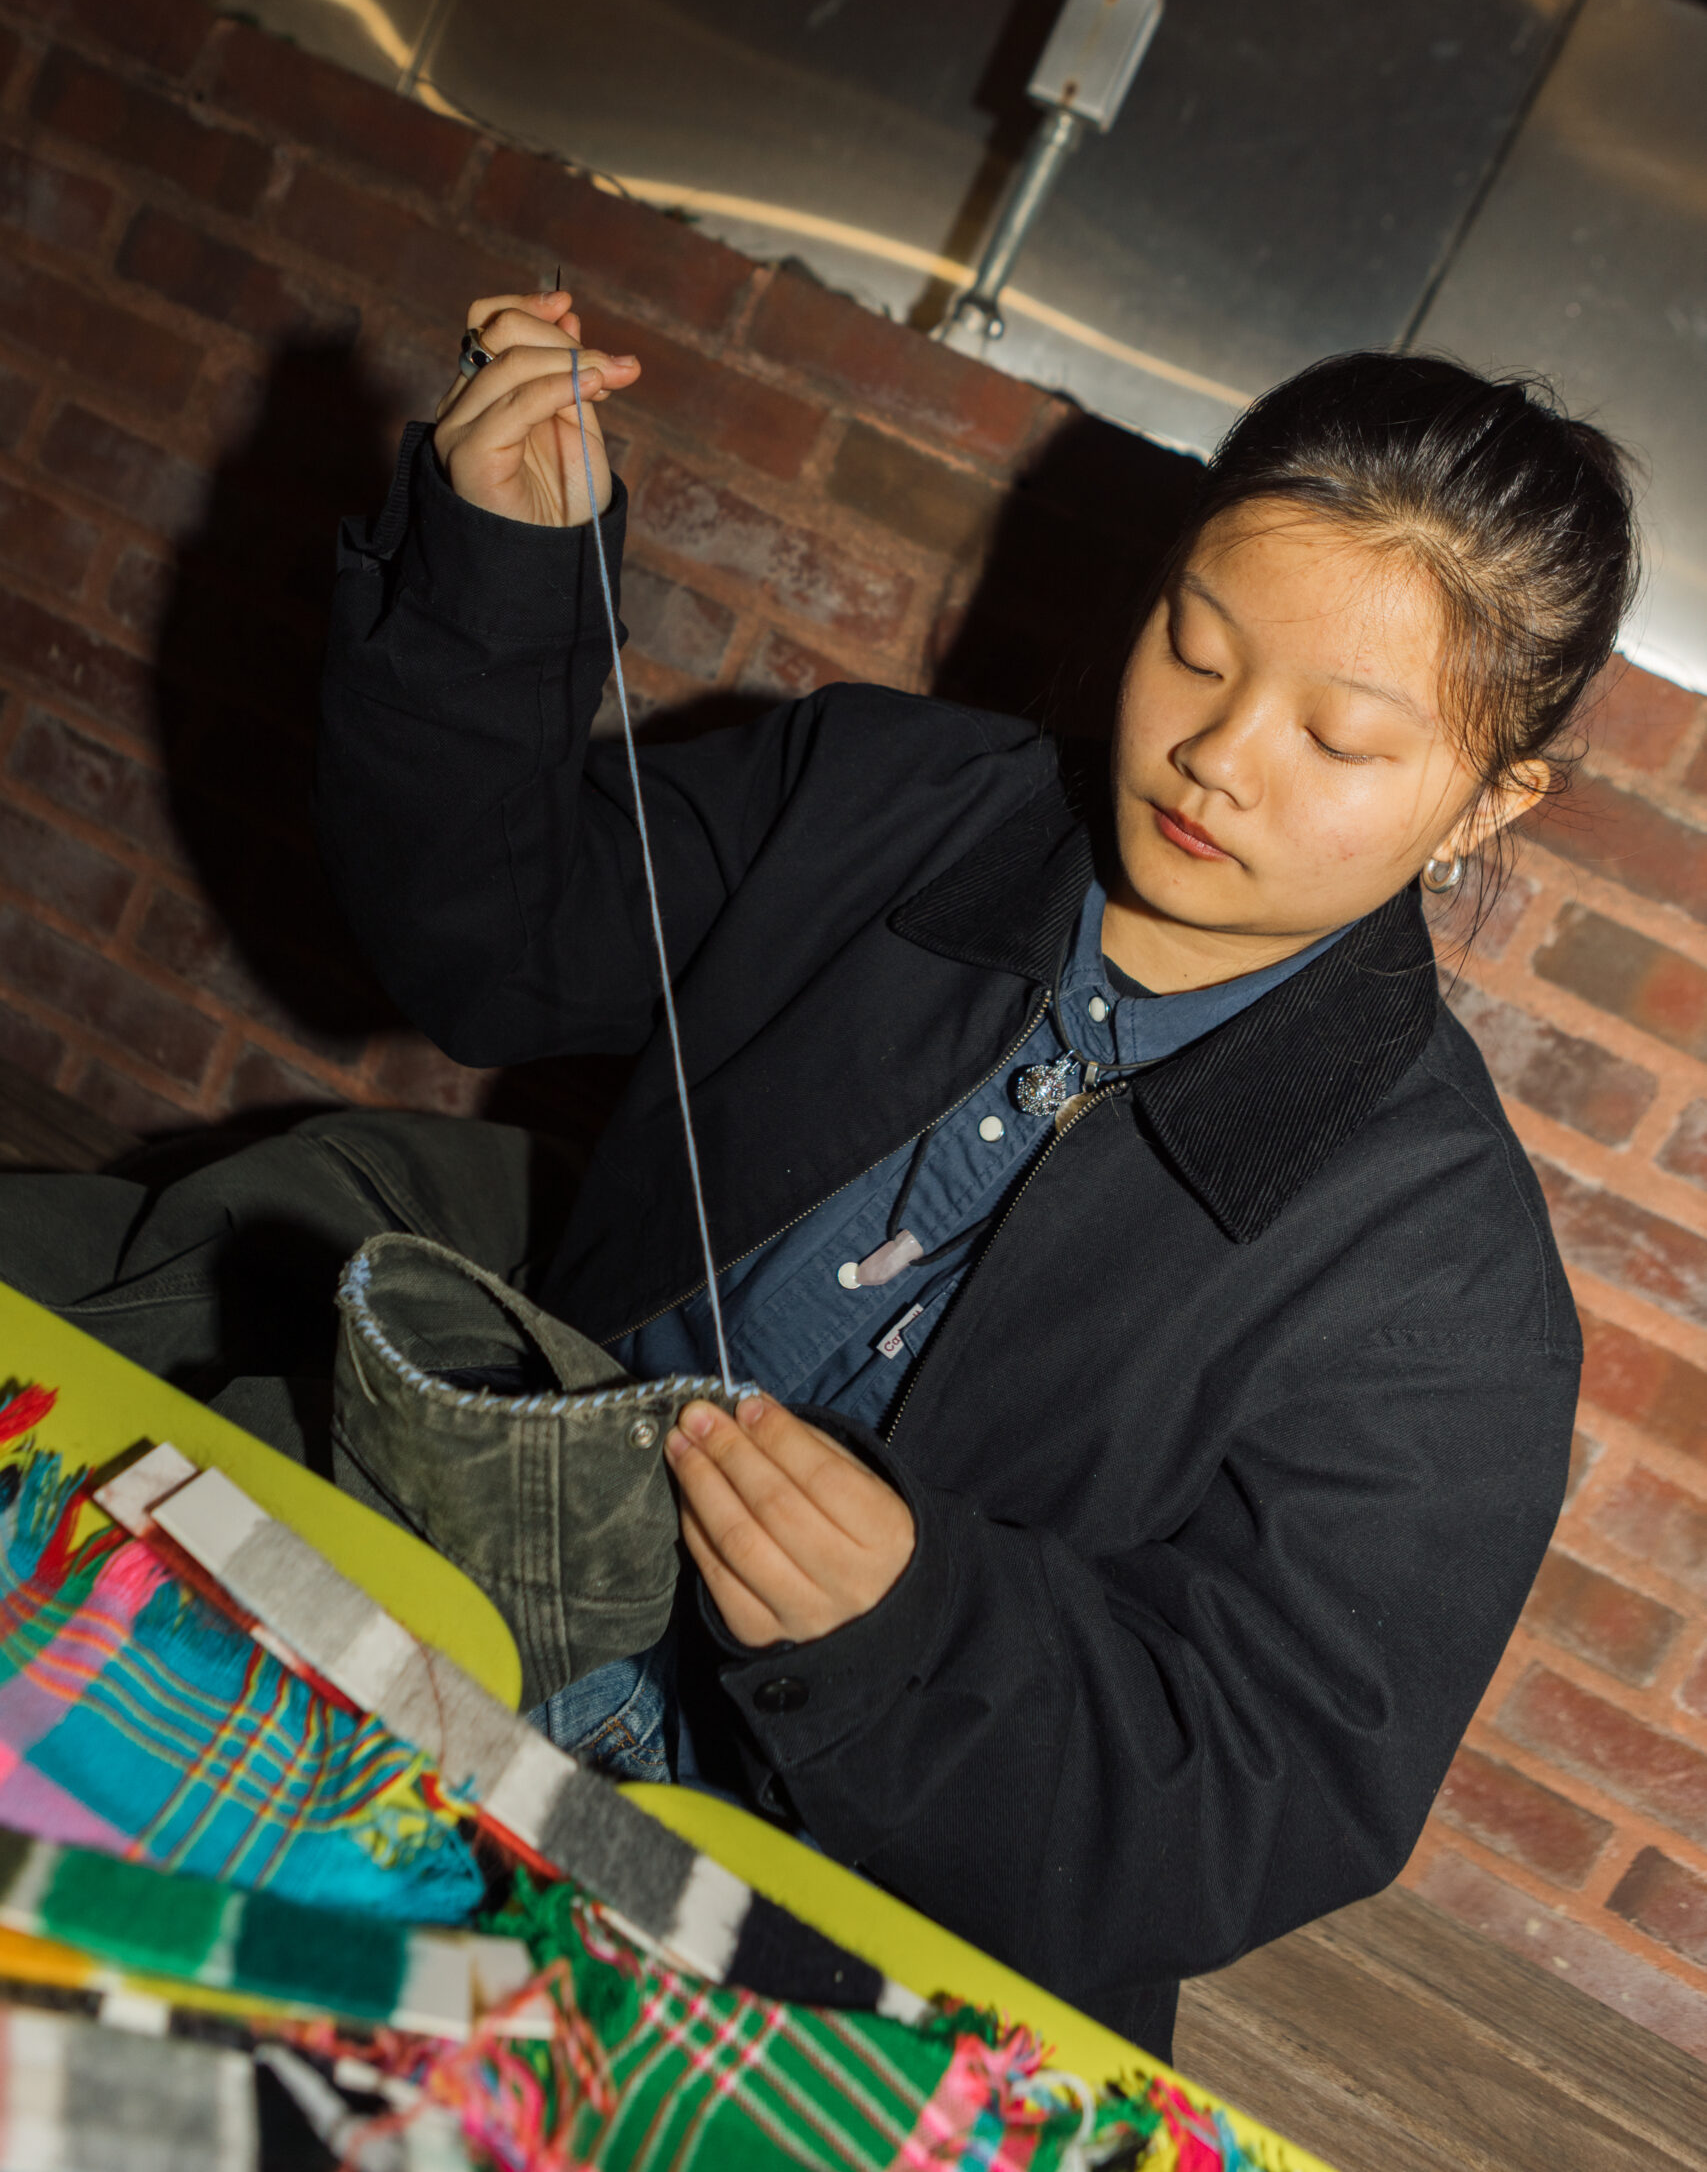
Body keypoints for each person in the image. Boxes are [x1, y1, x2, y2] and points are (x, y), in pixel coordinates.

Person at [4, 285, 1639, 2063]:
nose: (1215, 757)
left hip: (841, 1857)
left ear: (1492, 802)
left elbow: (1270, 1785)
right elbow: (490, 944)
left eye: (1340, 741)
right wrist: (499, 578)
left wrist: (913, 1623)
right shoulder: (894, 795)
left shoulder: (1444, 1281)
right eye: (1196, 643)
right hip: (454, 1556)